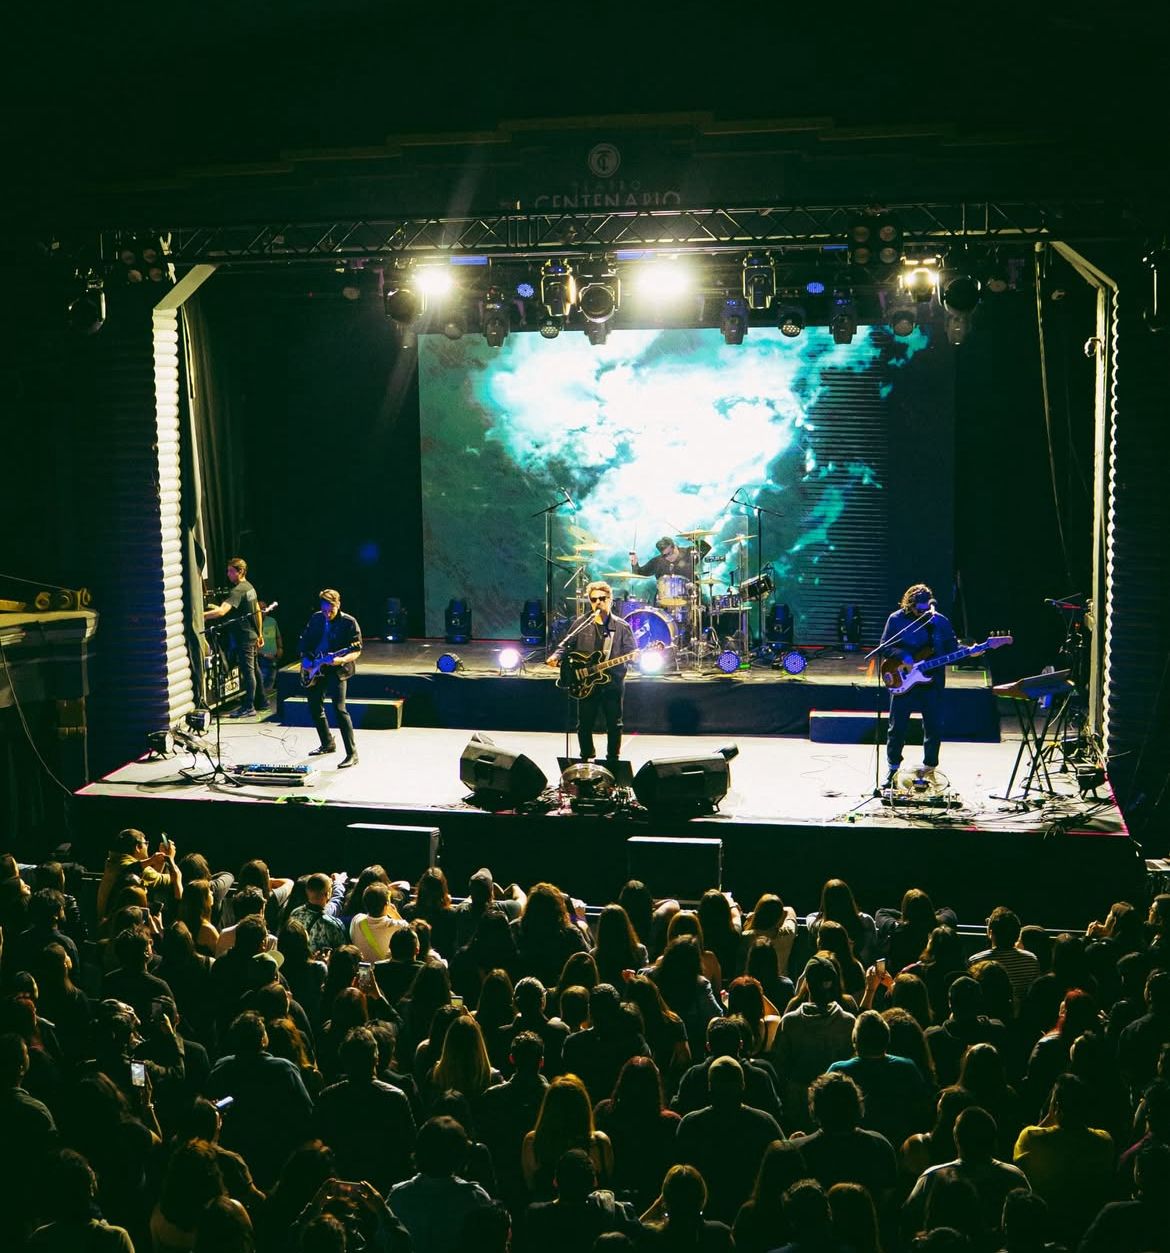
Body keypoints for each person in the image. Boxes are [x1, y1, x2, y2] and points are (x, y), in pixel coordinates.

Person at [546, 580, 637, 765]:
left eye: (602, 598)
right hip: (585, 681)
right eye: (594, 599)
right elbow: (566, 645)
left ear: (610, 599)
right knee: (584, 724)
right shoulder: (581, 623)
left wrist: (634, 657)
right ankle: (586, 758)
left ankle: (613, 760)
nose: (598, 602)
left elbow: (631, 652)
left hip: (612, 682)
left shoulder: (621, 627)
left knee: (614, 724)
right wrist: (556, 656)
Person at [879, 582, 959, 786]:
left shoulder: (940, 621)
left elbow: (952, 648)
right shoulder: (896, 619)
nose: (922, 613)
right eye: (918, 610)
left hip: (932, 680)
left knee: (933, 726)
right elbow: (885, 647)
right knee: (897, 727)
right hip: (903, 678)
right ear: (909, 604)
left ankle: (930, 768)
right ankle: (893, 769)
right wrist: (903, 656)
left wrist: (971, 651)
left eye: (925, 609)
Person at [298, 587, 363, 768]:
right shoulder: (316, 618)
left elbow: (356, 650)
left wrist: (341, 659)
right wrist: (306, 660)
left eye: (331, 610)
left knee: (339, 709)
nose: (327, 614)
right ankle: (327, 743)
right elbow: (305, 642)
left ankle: (352, 754)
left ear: (338, 604)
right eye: (324, 610)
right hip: (317, 668)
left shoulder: (349, 622)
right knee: (314, 706)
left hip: (337, 670)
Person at [204, 556, 268, 718]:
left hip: (244, 637)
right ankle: (262, 701)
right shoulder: (250, 587)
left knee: (248, 671)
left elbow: (221, 612)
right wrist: (259, 633)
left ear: (240, 572)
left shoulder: (238, 590)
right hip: (252, 635)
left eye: (230, 571)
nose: (228, 574)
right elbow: (257, 612)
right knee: (255, 669)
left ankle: (248, 707)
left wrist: (200, 616)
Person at [629, 535, 712, 610]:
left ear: (675, 547)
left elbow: (706, 547)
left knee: (705, 605)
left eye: (670, 553)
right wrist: (634, 564)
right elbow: (639, 573)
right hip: (665, 604)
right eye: (665, 555)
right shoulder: (657, 561)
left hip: (690, 599)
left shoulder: (689, 553)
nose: (668, 557)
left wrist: (693, 539)